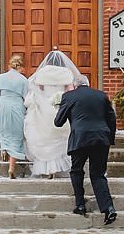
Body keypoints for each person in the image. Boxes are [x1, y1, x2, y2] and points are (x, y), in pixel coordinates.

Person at [53, 75, 118, 225]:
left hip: (80, 138)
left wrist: (64, 109)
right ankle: (108, 208)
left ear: (75, 86)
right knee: (98, 174)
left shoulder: (69, 96)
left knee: (76, 170)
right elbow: (112, 118)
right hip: (101, 139)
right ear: (88, 84)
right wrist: (110, 138)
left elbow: (58, 122)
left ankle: (80, 204)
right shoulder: (101, 95)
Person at [23, 49, 81, 177]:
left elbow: (35, 87)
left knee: (44, 138)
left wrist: (42, 98)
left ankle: (48, 169)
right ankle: (58, 168)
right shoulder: (66, 72)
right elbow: (71, 90)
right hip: (60, 107)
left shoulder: (43, 73)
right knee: (60, 138)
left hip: (44, 108)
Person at [0, 54, 29, 179]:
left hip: (2, 105)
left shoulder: (1, 77)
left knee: (4, 130)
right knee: (16, 136)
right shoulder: (23, 80)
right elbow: (26, 98)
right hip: (16, 106)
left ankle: (4, 148)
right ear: (21, 66)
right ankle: (11, 167)